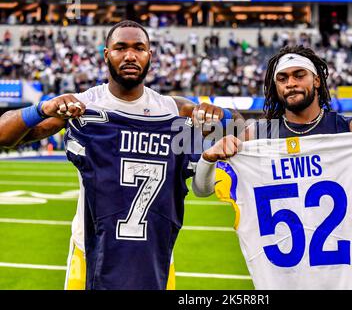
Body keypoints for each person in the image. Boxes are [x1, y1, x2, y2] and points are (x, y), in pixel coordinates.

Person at [0, 20, 239, 289]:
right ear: (106, 55)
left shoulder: (174, 111)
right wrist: (42, 108)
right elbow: (4, 136)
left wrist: (222, 115)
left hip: (154, 257)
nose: (130, 55)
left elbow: (240, 129)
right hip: (92, 252)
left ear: (150, 55)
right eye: (120, 48)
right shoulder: (84, 107)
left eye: (139, 48)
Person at [194, 45, 352, 289]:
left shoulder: (348, 133)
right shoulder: (257, 137)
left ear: (316, 80)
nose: (291, 83)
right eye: (283, 78)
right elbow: (202, 189)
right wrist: (209, 158)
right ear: (275, 87)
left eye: (299, 75)